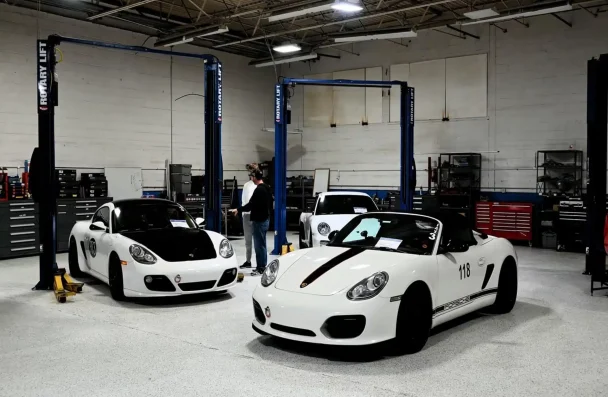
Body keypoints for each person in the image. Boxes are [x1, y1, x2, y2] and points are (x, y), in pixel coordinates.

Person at [230, 170, 272, 276]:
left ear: (254, 177)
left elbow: (250, 205)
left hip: (259, 221)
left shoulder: (258, 190)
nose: (251, 178)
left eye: (251, 176)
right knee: (262, 245)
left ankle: (260, 268)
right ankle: (263, 266)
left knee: (259, 246)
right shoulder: (267, 188)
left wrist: (238, 210)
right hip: (265, 220)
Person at [240, 164, 258, 269]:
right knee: (250, 240)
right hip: (248, 215)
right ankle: (249, 261)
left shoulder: (254, 185)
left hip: (251, 215)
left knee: (252, 240)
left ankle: (251, 262)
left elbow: (247, 202)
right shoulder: (248, 185)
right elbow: (244, 200)